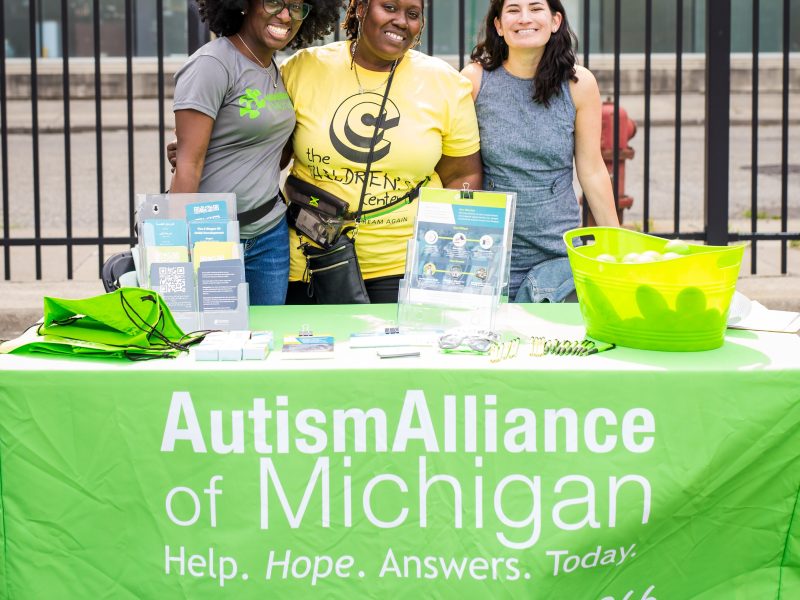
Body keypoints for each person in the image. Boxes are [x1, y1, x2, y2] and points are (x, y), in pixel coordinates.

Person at [282, 0, 483, 304]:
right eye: (389, 7)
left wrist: (448, 256)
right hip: (312, 261)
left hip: (407, 266)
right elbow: (267, 152)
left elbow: (462, 174)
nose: (402, 21)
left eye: (413, 14)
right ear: (360, 9)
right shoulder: (302, 68)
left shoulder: (444, 83)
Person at [169, 0, 341, 305]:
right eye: (275, 1)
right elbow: (188, 165)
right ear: (245, 4)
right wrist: (177, 251)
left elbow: (275, 153)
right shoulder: (212, 64)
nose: (286, 16)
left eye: (297, 7)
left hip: (269, 236)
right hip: (213, 236)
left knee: (265, 340)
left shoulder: (272, 67)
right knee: (210, 337)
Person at [462, 0, 619, 303]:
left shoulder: (579, 84)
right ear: (498, 25)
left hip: (558, 256)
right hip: (489, 254)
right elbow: (458, 169)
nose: (525, 19)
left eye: (536, 8)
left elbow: (592, 169)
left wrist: (618, 243)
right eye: (513, 10)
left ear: (555, 20)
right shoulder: (474, 80)